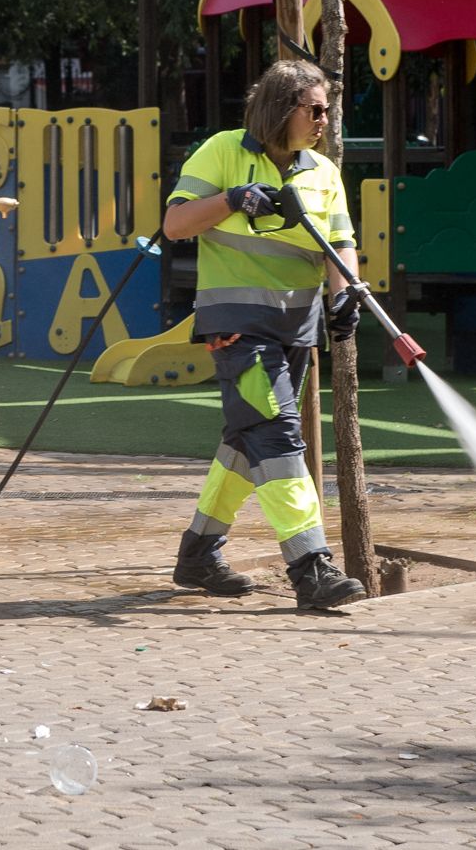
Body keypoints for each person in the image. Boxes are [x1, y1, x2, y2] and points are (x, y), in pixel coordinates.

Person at [160, 58, 368, 611]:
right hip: (238, 330)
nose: (326, 119)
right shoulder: (224, 151)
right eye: (316, 109)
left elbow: (340, 244)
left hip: (294, 330)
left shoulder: (323, 171)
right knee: (276, 436)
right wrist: (231, 198)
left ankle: (199, 554)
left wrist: (343, 291)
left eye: (328, 110)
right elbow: (175, 225)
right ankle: (311, 566)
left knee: (246, 440)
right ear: (284, 107)